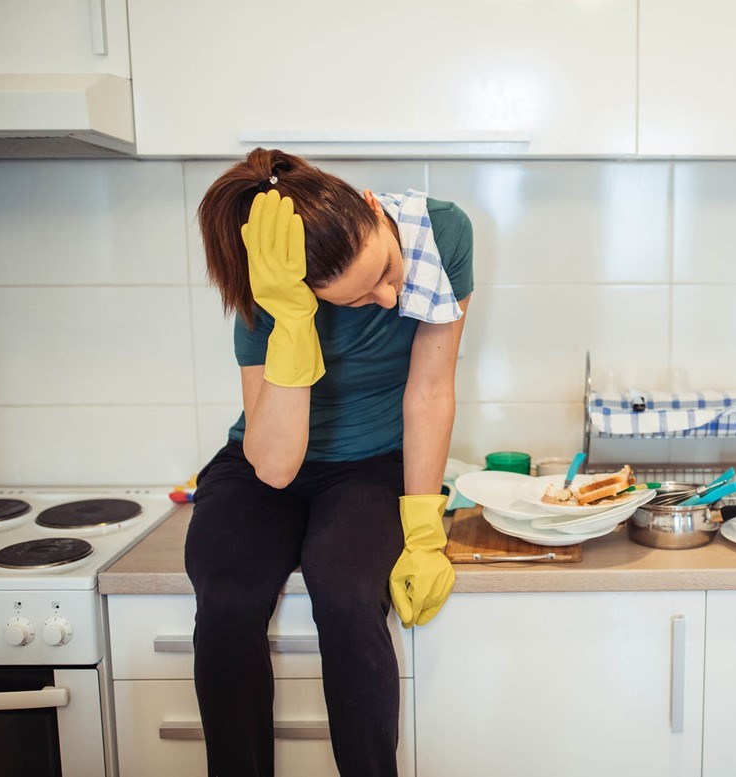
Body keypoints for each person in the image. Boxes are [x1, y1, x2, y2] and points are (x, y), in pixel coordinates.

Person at [184, 148, 472, 776]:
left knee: (346, 597)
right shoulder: (266, 291)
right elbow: (275, 466)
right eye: (360, 297)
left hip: (371, 465)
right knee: (228, 601)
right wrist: (291, 319)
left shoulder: (444, 230)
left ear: (372, 207)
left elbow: (428, 391)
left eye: (387, 270)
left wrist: (424, 530)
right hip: (263, 463)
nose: (391, 294)